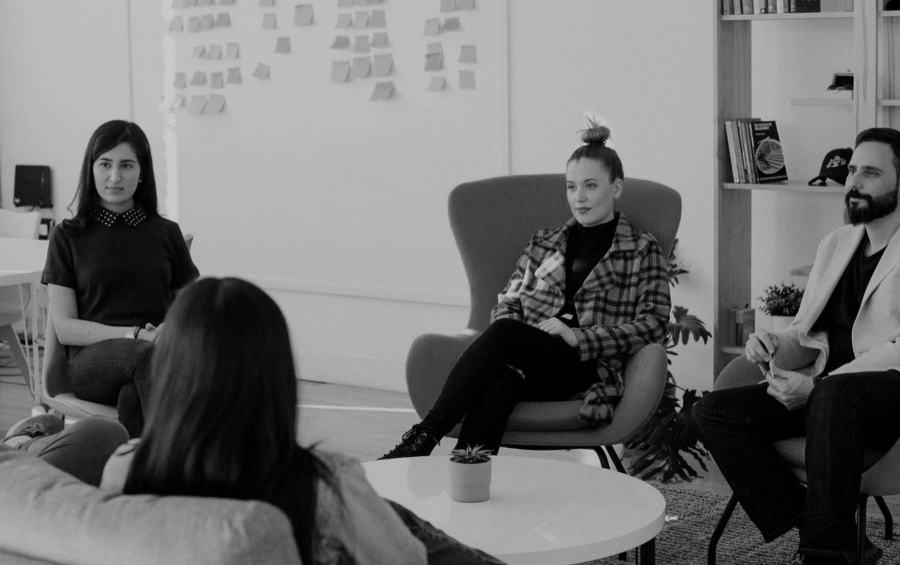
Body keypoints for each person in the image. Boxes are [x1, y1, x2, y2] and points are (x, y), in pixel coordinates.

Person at [98, 277, 503, 565]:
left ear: (170, 375)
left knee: (395, 515)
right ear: (275, 377)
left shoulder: (124, 468)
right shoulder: (325, 483)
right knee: (404, 524)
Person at [381, 123, 671, 459]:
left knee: (505, 335)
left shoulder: (640, 248)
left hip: (586, 366)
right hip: (528, 356)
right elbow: (509, 301)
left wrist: (581, 337)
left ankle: (424, 437)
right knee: (503, 379)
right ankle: (469, 473)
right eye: (572, 187)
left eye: (591, 186)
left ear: (616, 187)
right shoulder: (544, 242)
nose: (579, 197)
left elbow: (654, 323)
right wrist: (524, 339)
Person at [692, 128, 900, 565]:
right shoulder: (836, 245)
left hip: (886, 397)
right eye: (852, 170)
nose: (854, 182)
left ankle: (824, 556)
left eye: (872, 172)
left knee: (834, 396)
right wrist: (772, 345)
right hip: (826, 396)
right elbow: (808, 333)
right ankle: (826, 537)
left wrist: (821, 386)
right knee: (713, 411)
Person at [42, 120, 198, 437]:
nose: (115, 177)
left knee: (133, 396)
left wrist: (172, 327)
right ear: (91, 169)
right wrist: (136, 334)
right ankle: (188, 462)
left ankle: (138, 475)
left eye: (126, 165)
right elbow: (65, 327)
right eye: (105, 165)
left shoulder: (167, 233)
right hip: (88, 364)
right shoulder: (67, 236)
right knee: (147, 358)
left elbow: (194, 306)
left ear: (142, 172)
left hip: (152, 358)